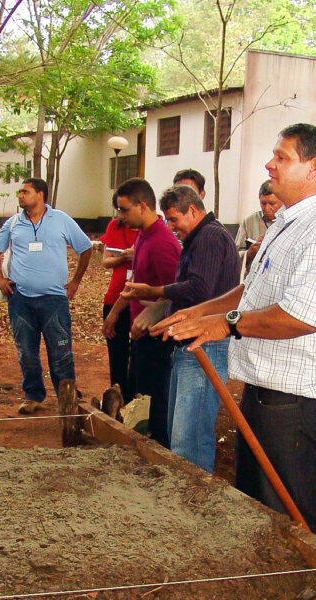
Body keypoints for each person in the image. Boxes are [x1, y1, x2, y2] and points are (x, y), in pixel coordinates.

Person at [153, 123, 316, 538]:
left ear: (313, 167)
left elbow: (301, 316)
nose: (270, 164)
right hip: (267, 394)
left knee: (292, 519)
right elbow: (251, 292)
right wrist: (198, 313)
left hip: (298, 401)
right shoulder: (286, 222)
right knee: (259, 512)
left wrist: (222, 325)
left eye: (281, 157)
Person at [121, 185, 240, 472]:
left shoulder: (210, 236)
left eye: (174, 219)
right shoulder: (200, 238)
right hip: (192, 344)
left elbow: (200, 289)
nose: (171, 227)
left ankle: (194, 503)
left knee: (191, 437)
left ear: (194, 210)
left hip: (205, 345)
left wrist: (155, 290)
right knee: (182, 433)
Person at [0, 178, 93, 415]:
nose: (20, 195)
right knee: (26, 352)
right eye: (20, 192)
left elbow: (85, 248)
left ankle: (66, 396)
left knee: (60, 351)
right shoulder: (14, 223)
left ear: (40, 195)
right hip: (21, 301)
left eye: (25, 192)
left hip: (54, 300)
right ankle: (33, 395)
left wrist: (76, 281)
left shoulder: (61, 220)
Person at [102, 178, 180, 446]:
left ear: (143, 205)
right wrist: (115, 313)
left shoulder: (163, 242)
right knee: (137, 396)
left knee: (153, 401)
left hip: (157, 339)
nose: (121, 217)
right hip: (139, 334)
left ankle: (158, 452)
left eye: (124, 210)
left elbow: (175, 295)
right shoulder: (143, 235)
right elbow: (136, 284)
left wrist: (150, 319)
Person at [99, 195, 139, 399]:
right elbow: (106, 261)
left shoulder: (155, 228)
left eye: (124, 209)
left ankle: (138, 405)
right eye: (118, 209)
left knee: (140, 356)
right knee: (117, 353)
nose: (120, 214)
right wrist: (125, 256)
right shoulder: (115, 226)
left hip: (142, 301)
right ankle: (118, 399)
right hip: (115, 296)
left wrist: (138, 253)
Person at [235, 181, 281, 250]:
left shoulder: (288, 222)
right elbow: (235, 255)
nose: (267, 208)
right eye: (263, 203)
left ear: (282, 202)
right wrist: (250, 253)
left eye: (272, 203)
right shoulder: (249, 222)